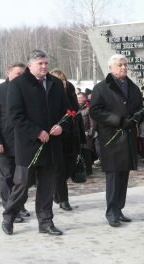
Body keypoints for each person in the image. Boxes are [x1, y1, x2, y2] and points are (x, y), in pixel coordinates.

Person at [2, 49, 69, 236]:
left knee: (48, 186)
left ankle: (46, 222)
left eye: (46, 63)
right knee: (22, 185)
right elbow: (15, 116)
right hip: (29, 145)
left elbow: (66, 112)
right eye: (40, 63)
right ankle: (9, 217)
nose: (44, 66)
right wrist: (36, 131)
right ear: (30, 65)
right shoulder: (18, 84)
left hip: (51, 145)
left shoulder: (55, 84)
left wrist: (62, 126)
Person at [90, 54, 144, 228]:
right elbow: (96, 111)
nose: (123, 67)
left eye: (125, 64)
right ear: (111, 68)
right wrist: (118, 120)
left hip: (127, 137)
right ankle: (111, 212)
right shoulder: (101, 88)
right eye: (119, 65)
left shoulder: (132, 87)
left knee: (124, 175)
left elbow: (140, 108)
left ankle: (119, 209)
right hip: (111, 138)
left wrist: (137, 118)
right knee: (113, 175)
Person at [0, 62, 30, 220]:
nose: (21, 76)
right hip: (3, 143)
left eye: (23, 74)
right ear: (8, 73)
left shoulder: (26, 90)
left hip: (23, 143)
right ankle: (9, 209)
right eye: (18, 73)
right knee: (7, 176)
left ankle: (19, 205)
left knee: (23, 178)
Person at [50, 68, 86, 211]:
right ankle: (63, 199)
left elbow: (77, 116)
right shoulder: (50, 96)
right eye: (59, 81)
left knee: (69, 166)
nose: (62, 84)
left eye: (63, 81)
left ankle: (56, 191)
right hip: (57, 138)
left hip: (72, 137)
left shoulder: (70, 92)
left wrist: (81, 137)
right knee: (59, 169)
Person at [77, 92, 95, 175]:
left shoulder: (89, 108)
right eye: (78, 98)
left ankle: (88, 171)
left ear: (85, 98)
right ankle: (80, 170)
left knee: (86, 152)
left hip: (87, 134)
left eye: (80, 98)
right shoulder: (76, 108)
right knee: (79, 153)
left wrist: (89, 133)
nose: (79, 99)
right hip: (78, 134)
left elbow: (92, 123)